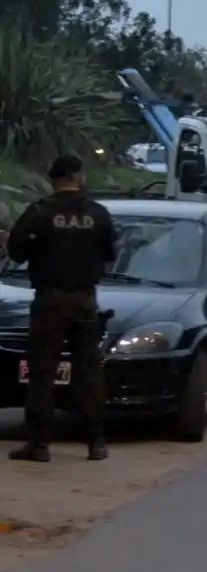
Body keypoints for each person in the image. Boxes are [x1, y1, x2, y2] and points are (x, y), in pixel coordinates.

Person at [7, 154, 116, 462]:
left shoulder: (39, 213)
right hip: (84, 301)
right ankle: (96, 442)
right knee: (89, 372)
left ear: (55, 180)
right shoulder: (98, 214)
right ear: (76, 177)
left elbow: (15, 252)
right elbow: (109, 253)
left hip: (50, 301)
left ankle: (39, 444)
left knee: (42, 373)